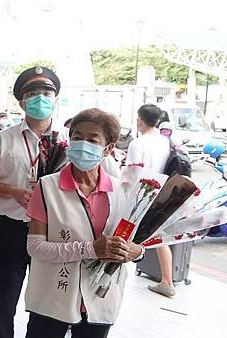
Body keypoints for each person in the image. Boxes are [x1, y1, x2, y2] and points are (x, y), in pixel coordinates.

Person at [24, 108, 145, 338]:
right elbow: (35, 246)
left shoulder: (121, 191)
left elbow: (139, 244)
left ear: (108, 149)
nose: (82, 144)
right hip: (53, 295)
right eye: (77, 137)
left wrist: (135, 252)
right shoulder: (48, 187)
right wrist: (90, 249)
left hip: (99, 296)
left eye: (92, 139)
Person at [0, 66, 68, 338]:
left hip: (52, 233)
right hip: (13, 228)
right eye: (32, 93)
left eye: (46, 92)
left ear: (55, 99)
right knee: (5, 299)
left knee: (44, 300)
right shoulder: (3, 139)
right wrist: (13, 192)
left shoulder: (67, 141)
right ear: (21, 101)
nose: (40, 98)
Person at [126, 104, 175, 298]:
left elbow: (132, 173)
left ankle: (110, 271)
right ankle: (167, 280)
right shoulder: (166, 141)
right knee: (159, 237)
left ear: (140, 119)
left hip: (143, 194)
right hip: (164, 193)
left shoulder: (138, 144)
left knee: (126, 233)